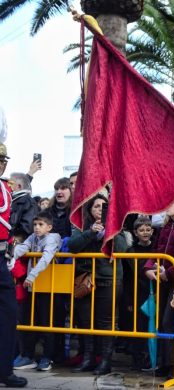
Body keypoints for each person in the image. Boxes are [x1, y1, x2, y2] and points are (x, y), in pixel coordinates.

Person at [69, 194, 128, 375]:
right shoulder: (83, 227)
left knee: (105, 323)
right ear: (90, 210)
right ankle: (88, 359)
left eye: (104, 207)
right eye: (96, 207)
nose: (99, 210)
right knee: (85, 321)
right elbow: (73, 246)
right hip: (86, 280)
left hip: (108, 279)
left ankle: (105, 361)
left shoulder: (116, 226)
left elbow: (122, 249)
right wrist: (91, 233)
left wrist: (110, 230)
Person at [143, 195, 174, 375]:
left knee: (170, 320)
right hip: (163, 279)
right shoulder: (165, 226)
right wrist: (148, 268)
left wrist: (169, 273)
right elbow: (156, 250)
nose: (168, 205)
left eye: (172, 202)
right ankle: (165, 363)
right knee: (163, 322)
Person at [11, 211, 61, 372]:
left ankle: (47, 357)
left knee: (47, 322)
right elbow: (22, 248)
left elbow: (46, 258)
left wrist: (31, 275)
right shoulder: (33, 237)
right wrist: (10, 257)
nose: (36, 228)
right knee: (29, 320)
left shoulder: (53, 238)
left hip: (49, 286)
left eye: (40, 225)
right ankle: (28, 355)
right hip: (33, 286)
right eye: (35, 225)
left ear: (49, 227)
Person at [0, 143, 28, 388]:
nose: (1, 163)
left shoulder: (6, 188)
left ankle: (5, 370)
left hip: (0, 259)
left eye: (3, 160)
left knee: (8, 315)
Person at [124, 216, 155, 371]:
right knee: (138, 327)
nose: (145, 233)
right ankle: (137, 360)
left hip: (153, 292)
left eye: (148, 230)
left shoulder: (156, 248)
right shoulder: (131, 251)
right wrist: (129, 300)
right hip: (137, 292)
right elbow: (128, 278)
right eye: (141, 230)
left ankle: (152, 358)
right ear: (135, 233)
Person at [9, 173, 38, 243]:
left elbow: (27, 228)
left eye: (10, 183)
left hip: (16, 247)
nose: (7, 185)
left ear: (19, 186)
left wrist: (13, 241)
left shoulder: (29, 202)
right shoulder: (11, 201)